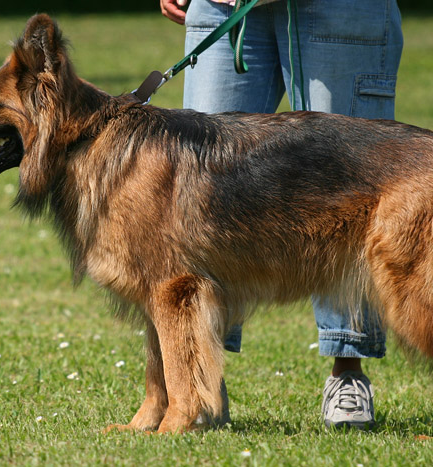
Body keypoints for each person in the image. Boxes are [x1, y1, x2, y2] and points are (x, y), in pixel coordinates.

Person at [159, 0, 403, 430]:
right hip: (223, 7)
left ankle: (347, 373)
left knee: (353, 187)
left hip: (337, 9)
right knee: (195, 200)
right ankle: (198, 393)